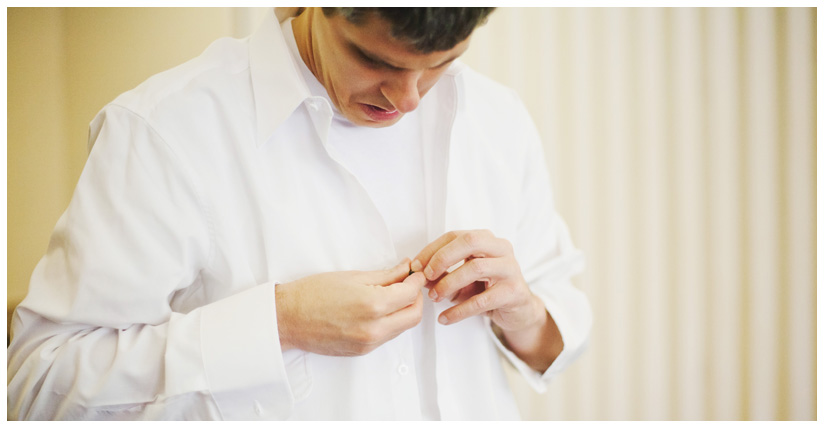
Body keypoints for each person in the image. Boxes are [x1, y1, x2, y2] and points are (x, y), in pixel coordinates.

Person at [7, 7, 591, 420]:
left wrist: (521, 311)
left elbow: (558, 336)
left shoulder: (499, 119)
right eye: (372, 58)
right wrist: (279, 323)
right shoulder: (164, 131)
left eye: (441, 65)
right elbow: (34, 385)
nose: (407, 99)